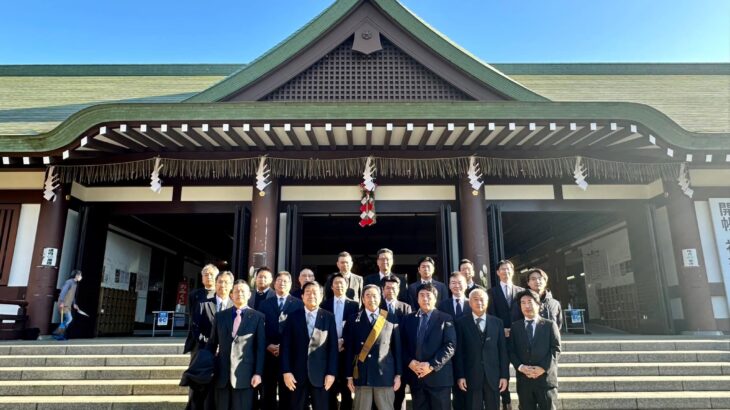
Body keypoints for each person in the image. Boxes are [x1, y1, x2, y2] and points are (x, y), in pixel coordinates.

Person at [206, 280, 266, 410]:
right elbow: (212, 343)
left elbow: (260, 349)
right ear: (231, 295)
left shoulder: (258, 317)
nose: (240, 293)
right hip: (221, 375)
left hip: (246, 375)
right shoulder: (220, 316)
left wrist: (258, 373)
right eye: (236, 291)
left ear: (249, 295)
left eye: (243, 291)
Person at [281, 281, 338, 410]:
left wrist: (331, 373)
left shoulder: (328, 317)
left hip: (321, 375)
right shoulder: (293, 317)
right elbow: (285, 347)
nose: (311, 295)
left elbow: (333, 348)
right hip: (296, 375)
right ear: (302, 297)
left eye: (315, 292)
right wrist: (286, 371)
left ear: (321, 296)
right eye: (308, 292)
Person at [344, 284, 402, 410]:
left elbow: (397, 349)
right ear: (363, 299)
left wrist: (398, 375)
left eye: (375, 296)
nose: (371, 299)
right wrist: (349, 376)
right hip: (362, 375)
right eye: (368, 296)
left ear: (380, 298)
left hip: (384, 374)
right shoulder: (353, 319)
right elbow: (349, 350)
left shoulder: (390, 318)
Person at [401, 283, 456, 410]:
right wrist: (409, 362)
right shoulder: (408, 319)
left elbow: (450, 346)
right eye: (421, 295)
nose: (425, 299)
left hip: (439, 378)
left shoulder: (445, 318)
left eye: (428, 295)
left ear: (435, 298)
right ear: (417, 298)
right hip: (416, 377)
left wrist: (431, 365)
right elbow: (402, 345)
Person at [455, 289, 509, 410]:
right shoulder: (461, 323)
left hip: (493, 376)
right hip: (471, 376)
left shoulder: (497, 323)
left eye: (482, 300)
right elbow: (459, 353)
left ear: (487, 302)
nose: (479, 302)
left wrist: (504, 376)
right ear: (469, 303)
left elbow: (503, 352)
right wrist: (461, 376)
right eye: (475, 299)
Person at [187, 271, 234, 410]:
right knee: (202, 391)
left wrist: (224, 346)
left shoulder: (235, 306)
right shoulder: (203, 304)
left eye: (226, 282)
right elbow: (196, 329)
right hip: (206, 353)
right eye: (220, 282)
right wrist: (211, 345)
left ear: (231, 285)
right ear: (215, 283)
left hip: (227, 356)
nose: (223, 285)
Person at [257, 271, 304, 410]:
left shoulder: (299, 304)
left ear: (290, 284)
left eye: (285, 281)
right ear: (274, 283)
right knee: (268, 391)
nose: (282, 283)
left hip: (290, 356)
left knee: (288, 392)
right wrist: (267, 345)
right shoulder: (264, 304)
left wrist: (284, 347)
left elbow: (300, 332)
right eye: (279, 281)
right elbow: (259, 330)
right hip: (269, 354)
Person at [509, 290, 561, 410]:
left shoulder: (549, 325)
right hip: (524, 381)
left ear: (538, 304)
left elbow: (556, 349)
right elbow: (511, 351)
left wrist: (543, 368)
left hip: (545, 380)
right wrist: (520, 367)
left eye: (530, 302)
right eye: (523, 303)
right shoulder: (515, 327)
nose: (526, 306)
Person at [486, 260, 523, 410]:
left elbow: (523, 314)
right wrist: (500, 330)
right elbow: (489, 314)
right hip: (498, 338)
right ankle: (505, 400)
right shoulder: (491, 292)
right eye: (502, 269)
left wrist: (514, 330)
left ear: (512, 271)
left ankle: (524, 400)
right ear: (497, 272)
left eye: (508, 269)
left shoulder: (521, 292)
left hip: (518, 338)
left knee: (521, 368)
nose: (505, 272)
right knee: (501, 369)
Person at [320, 274, 359, 410]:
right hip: (328, 350)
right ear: (331, 286)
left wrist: (344, 341)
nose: (339, 286)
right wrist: (332, 342)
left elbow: (356, 329)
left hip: (346, 350)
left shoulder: (354, 305)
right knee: (330, 385)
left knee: (346, 386)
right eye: (336, 283)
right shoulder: (324, 304)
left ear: (347, 286)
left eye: (342, 283)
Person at [436, 272, 471, 410]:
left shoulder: (473, 303)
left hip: (468, 352)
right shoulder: (442, 305)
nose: (457, 286)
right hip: (449, 353)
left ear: (466, 284)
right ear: (449, 286)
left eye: (460, 282)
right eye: (453, 283)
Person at [378, 275, 411, 410]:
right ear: (382, 289)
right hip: (381, 357)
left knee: (399, 394)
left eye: (393, 288)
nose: (390, 290)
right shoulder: (377, 307)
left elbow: (408, 334)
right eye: (387, 287)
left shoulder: (406, 308)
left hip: (400, 356)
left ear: (398, 289)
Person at [185, 264, 219, 354]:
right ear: (202, 278)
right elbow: (192, 315)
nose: (209, 277)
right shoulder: (194, 294)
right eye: (206, 275)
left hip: (217, 339)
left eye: (211, 274)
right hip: (197, 339)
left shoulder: (221, 294)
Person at [53, 270, 83, 341]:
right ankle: (58, 333)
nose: (81, 276)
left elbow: (72, 295)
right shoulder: (69, 282)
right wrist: (62, 302)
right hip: (64, 303)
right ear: (76, 275)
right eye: (80, 275)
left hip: (68, 304)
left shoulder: (75, 283)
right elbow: (63, 292)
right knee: (69, 319)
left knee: (68, 319)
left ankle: (59, 334)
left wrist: (74, 304)